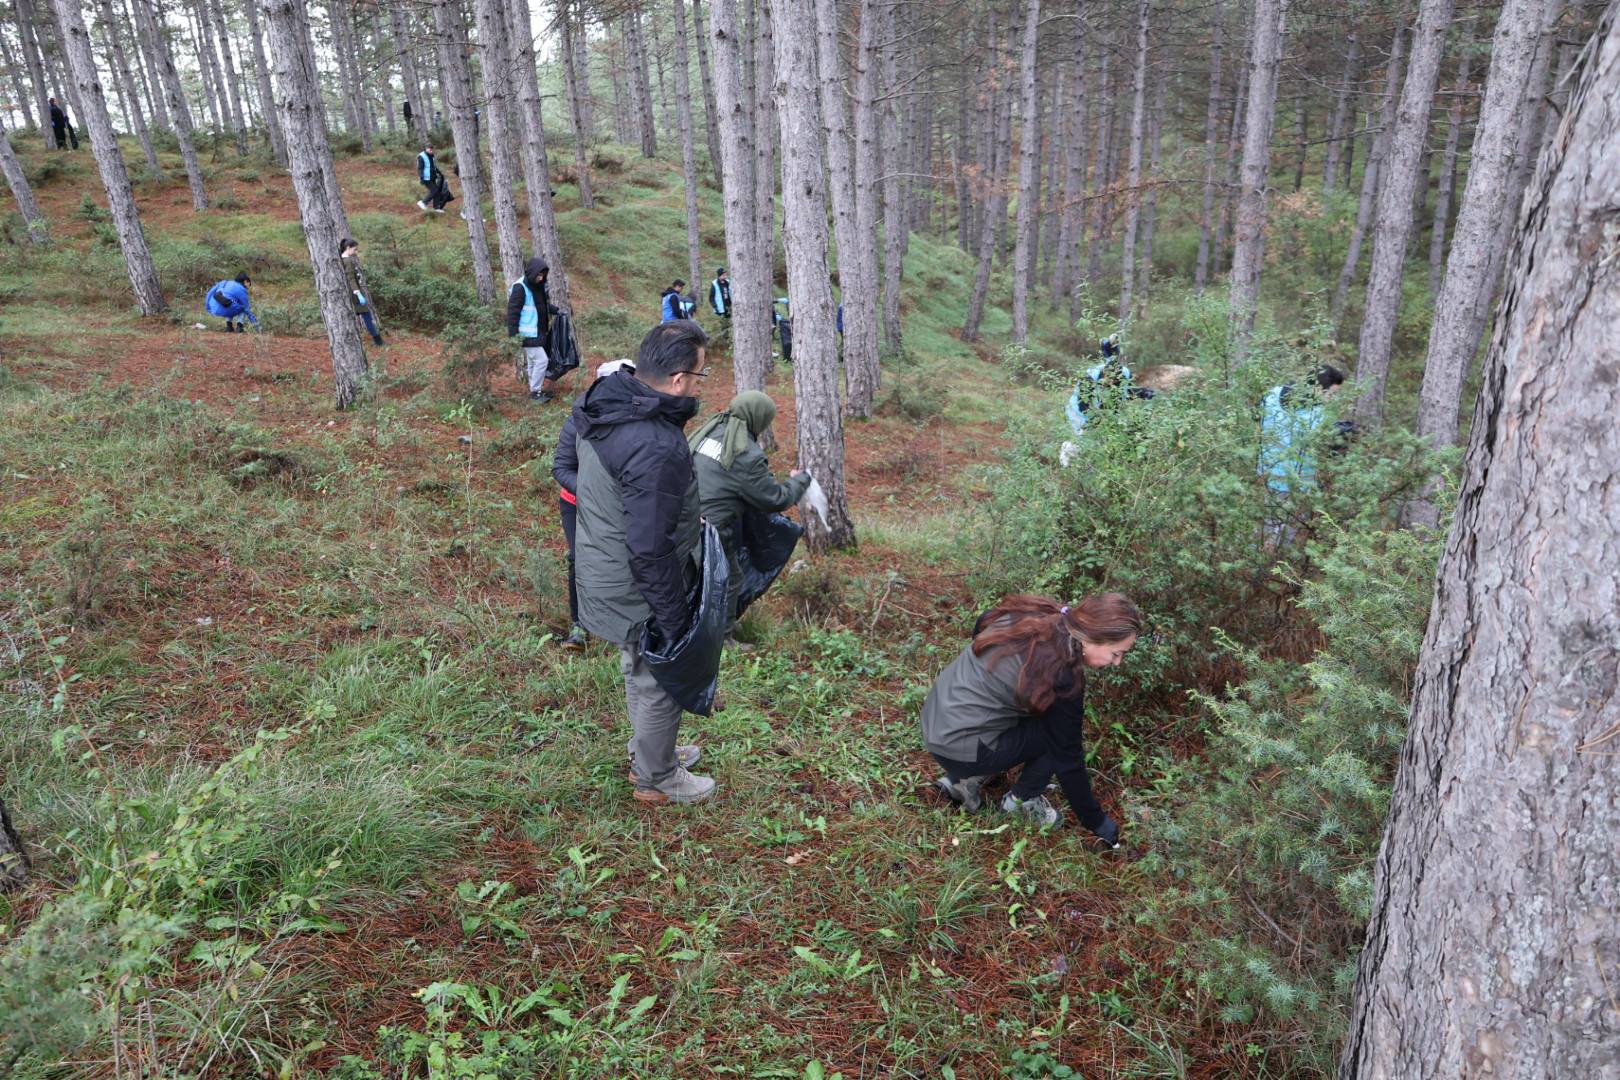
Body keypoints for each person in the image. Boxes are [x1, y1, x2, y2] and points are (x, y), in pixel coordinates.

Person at [573, 320, 715, 804]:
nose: (699, 386)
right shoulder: (655, 443)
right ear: (678, 380)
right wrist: (675, 619)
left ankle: (650, 751)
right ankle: (656, 777)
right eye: (700, 376)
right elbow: (649, 548)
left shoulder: (609, 401)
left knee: (638, 665)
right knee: (659, 675)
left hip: (604, 567)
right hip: (638, 581)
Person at [924, 593, 1142, 847]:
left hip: (935, 720)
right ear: (1093, 636)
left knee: (1037, 711)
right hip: (958, 745)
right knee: (1055, 738)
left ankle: (963, 779)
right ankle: (1020, 802)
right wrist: (1097, 821)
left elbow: (983, 621)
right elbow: (1067, 758)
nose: (1117, 663)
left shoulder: (1038, 613)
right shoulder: (1063, 674)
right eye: (1116, 653)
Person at [689, 391, 812, 647]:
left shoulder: (713, 428)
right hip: (710, 529)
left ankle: (698, 626)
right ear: (758, 418)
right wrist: (800, 480)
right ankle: (722, 640)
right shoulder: (745, 453)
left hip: (684, 516)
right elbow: (774, 499)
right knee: (730, 578)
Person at [553, 359, 636, 652]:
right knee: (580, 559)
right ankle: (580, 625)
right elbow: (562, 468)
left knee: (623, 558)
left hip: (622, 506)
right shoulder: (578, 419)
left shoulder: (636, 420)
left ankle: (620, 624)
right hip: (578, 505)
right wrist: (592, 493)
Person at [1258, 365, 1347, 539]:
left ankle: (1260, 558)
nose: (1332, 399)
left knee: (1267, 527)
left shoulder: (1273, 394)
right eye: (1332, 394)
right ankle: (1274, 562)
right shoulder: (1317, 414)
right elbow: (1326, 447)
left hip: (1267, 472)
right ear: (1317, 388)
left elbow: (1256, 415)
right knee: (1286, 533)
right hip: (1298, 482)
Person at [507, 257, 562, 402]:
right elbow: (513, 312)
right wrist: (514, 335)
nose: (540, 278)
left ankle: (534, 390)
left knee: (533, 362)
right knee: (542, 361)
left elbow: (541, 304)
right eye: (538, 275)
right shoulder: (520, 287)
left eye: (543, 275)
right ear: (532, 272)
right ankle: (535, 392)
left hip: (538, 331)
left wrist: (555, 310)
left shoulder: (538, 286)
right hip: (527, 334)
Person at [339, 238, 385, 346]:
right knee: (367, 318)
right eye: (355, 249)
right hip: (355, 295)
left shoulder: (343, 259)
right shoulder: (348, 261)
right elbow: (351, 278)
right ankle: (378, 341)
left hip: (352, 294)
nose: (356, 252)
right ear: (348, 248)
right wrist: (358, 293)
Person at [416, 145, 451, 212]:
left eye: (432, 149)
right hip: (426, 178)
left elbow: (433, 166)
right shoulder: (421, 156)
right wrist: (421, 178)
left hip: (432, 177)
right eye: (430, 149)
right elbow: (420, 168)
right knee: (434, 191)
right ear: (426, 149)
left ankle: (436, 208)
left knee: (437, 192)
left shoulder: (431, 156)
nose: (431, 151)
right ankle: (423, 202)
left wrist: (440, 173)